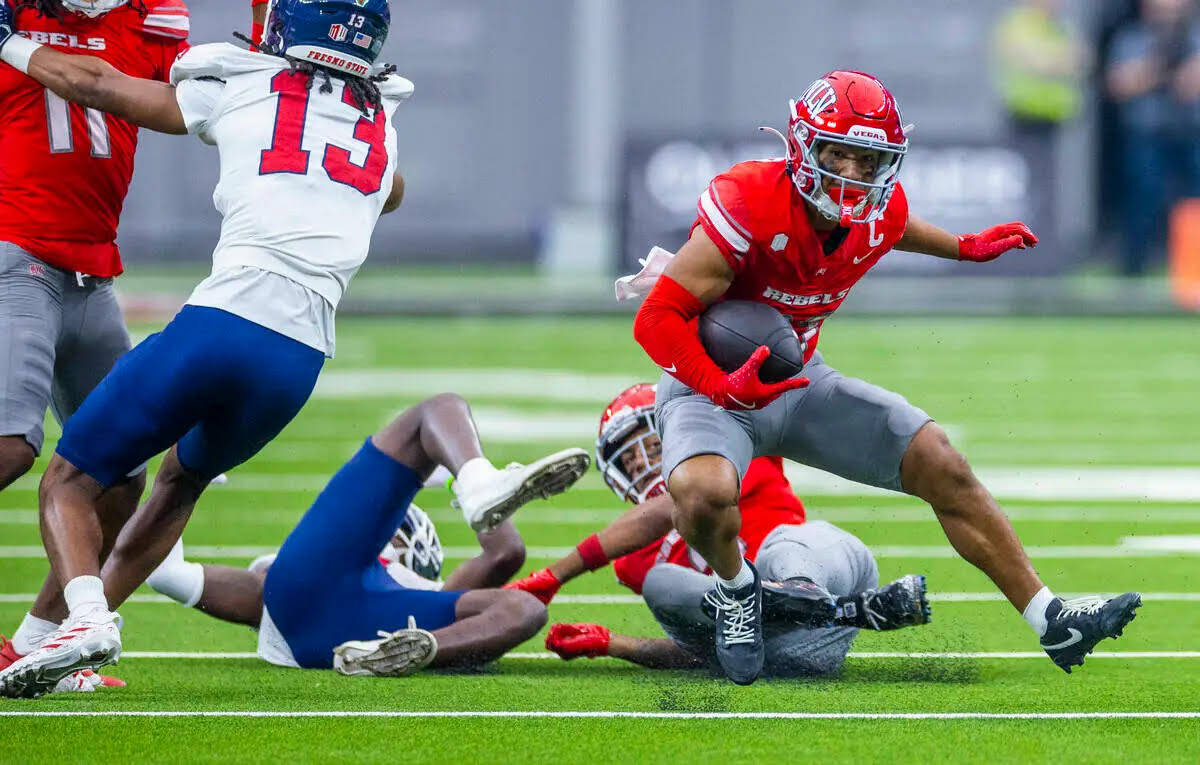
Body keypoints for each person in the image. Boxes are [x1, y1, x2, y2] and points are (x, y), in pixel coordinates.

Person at [0, 0, 541, 698]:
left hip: (224, 320)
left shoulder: (245, 78)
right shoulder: (381, 126)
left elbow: (98, 88)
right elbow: (389, 190)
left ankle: (85, 613)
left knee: (69, 478)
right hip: (299, 361)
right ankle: (51, 642)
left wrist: (10, 43)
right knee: (175, 486)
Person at [629, 70, 1141, 684]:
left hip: (799, 381)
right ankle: (738, 590)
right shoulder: (748, 202)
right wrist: (720, 384)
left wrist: (965, 246)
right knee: (704, 494)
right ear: (802, 148)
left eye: (867, 160)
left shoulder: (878, 209)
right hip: (709, 384)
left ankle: (1049, 615)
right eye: (836, 153)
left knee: (941, 461)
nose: (850, 172)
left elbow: (894, 226)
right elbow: (656, 316)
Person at [0, 0, 189, 690]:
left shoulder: (150, 18)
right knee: (11, 445)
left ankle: (36, 643)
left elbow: (184, 105)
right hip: (15, 251)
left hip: (93, 271)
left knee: (116, 466)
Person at [140, 394, 588, 677]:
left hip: (354, 631)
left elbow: (164, 572)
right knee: (525, 608)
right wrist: (456, 483)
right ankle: (429, 650)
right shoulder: (433, 595)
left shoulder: (426, 592)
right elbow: (505, 551)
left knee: (436, 412)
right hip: (373, 622)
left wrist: (181, 486)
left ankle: (419, 652)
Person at [507, 383, 929, 677]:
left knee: (785, 547)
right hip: (776, 652)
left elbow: (669, 508)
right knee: (663, 583)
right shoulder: (631, 562)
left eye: (652, 449)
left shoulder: (727, 456)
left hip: (825, 573)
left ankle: (806, 595)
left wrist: (557, 573)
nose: (643, 467)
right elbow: (702, 652)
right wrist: (613, 644)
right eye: (630, 463)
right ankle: (850, 609)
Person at [1105, 0, 1200, 275]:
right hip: (1147, 131)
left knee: (1194, 203)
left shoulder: (1194, 37)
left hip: (1191, 131)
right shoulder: (1132, 38)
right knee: (1143, 199)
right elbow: (1117, 84)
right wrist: (1156, 69)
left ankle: (1192, 271)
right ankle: (1133, 268)